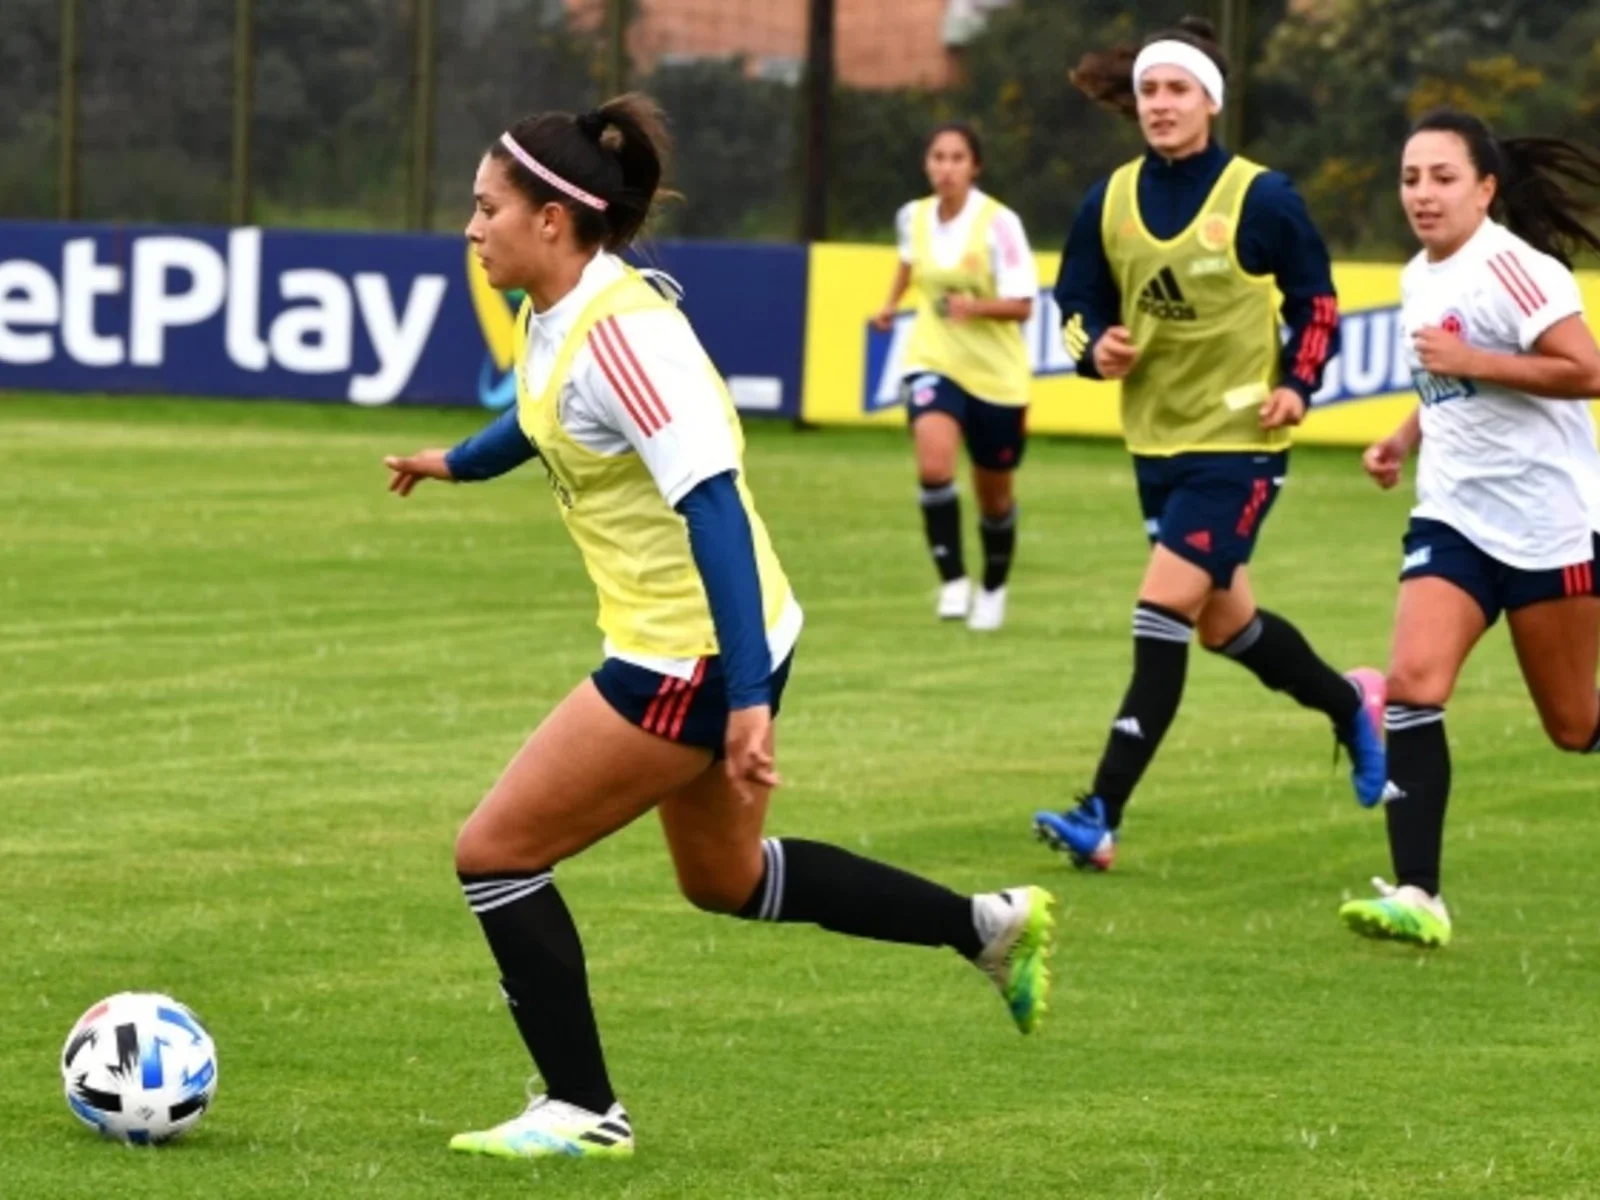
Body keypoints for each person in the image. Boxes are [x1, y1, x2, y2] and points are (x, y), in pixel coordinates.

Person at [381, 94, 1057, 1161]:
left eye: (485, 206)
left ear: (552, 220)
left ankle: (582, 1110)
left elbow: (715, 511)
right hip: (701, 643)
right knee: (726, 881)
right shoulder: (558, 312)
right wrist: (454, 462)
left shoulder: (631, 340)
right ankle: (983, 926)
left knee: (495, 853)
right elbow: (546, 413)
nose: (470, 226)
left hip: (688, 655)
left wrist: (744, 701)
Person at [1032, 17, 1385, 871]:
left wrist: (1299, 381)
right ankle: (1349, 705)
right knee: (1229, 626)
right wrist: (1096, 346)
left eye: (1177, 90)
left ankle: (1101, 811)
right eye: (1149, 90)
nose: (1159, 105)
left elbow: (1318, 300)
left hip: (1239, 444)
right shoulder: (1108, 199)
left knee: (1161, 613)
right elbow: (1074, 301)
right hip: (1155, 443)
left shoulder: (1261, 198)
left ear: (1210, 102)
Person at [1339, 110, 1600, 948]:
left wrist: (1476, 362)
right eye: (1411, 177)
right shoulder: (1420, 274)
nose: (1423, 193)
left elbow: (1588, 371)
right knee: (1414, 683)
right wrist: (1402, 436)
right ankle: (1419, 895)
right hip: (1453, 515)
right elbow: (1443, 384)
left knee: (1575, 727)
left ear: (1486, 188)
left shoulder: (1518, 271)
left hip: (1548, 528)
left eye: (1442, 177)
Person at [873, 123, 1037, 631]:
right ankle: (952, 579)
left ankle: (992, 586)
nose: (946, 167)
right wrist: (889, 304)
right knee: (934, 464)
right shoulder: (913, 216)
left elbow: (1024, 305)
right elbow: (908, 263)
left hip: (996, 375)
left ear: (975, 166)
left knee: (995, 496)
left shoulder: (999, 224)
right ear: (927, 165)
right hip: (934, 357)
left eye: (957, 158)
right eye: (938, 157)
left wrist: (976, 306)